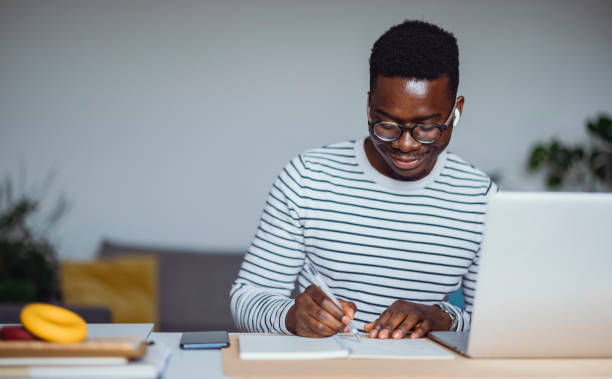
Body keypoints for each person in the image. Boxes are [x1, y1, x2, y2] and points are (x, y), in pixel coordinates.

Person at [230, 19, 497, 340]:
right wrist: (290, 316)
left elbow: (500, 323)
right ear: (369, 106)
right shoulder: (307, 179)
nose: (406, 144)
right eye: (387, 124)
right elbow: (246, 298)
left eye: (427, 128)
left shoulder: (481, 198)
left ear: (456, 111)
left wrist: (442, 319)